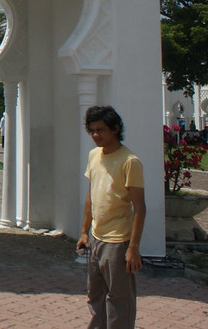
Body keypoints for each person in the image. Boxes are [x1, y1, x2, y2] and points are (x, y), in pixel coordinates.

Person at [76, 105, 146, 329]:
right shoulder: (94, 155)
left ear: (115, 129)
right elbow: (92, 195)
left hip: (118, 241)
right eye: (92, 130)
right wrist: (84, 232)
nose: (96, 135)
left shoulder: (129, 161)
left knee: (119, 300)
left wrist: (133, 247)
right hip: (97, 238)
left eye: (101, 130)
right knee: (95, 297)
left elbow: (139, 207)